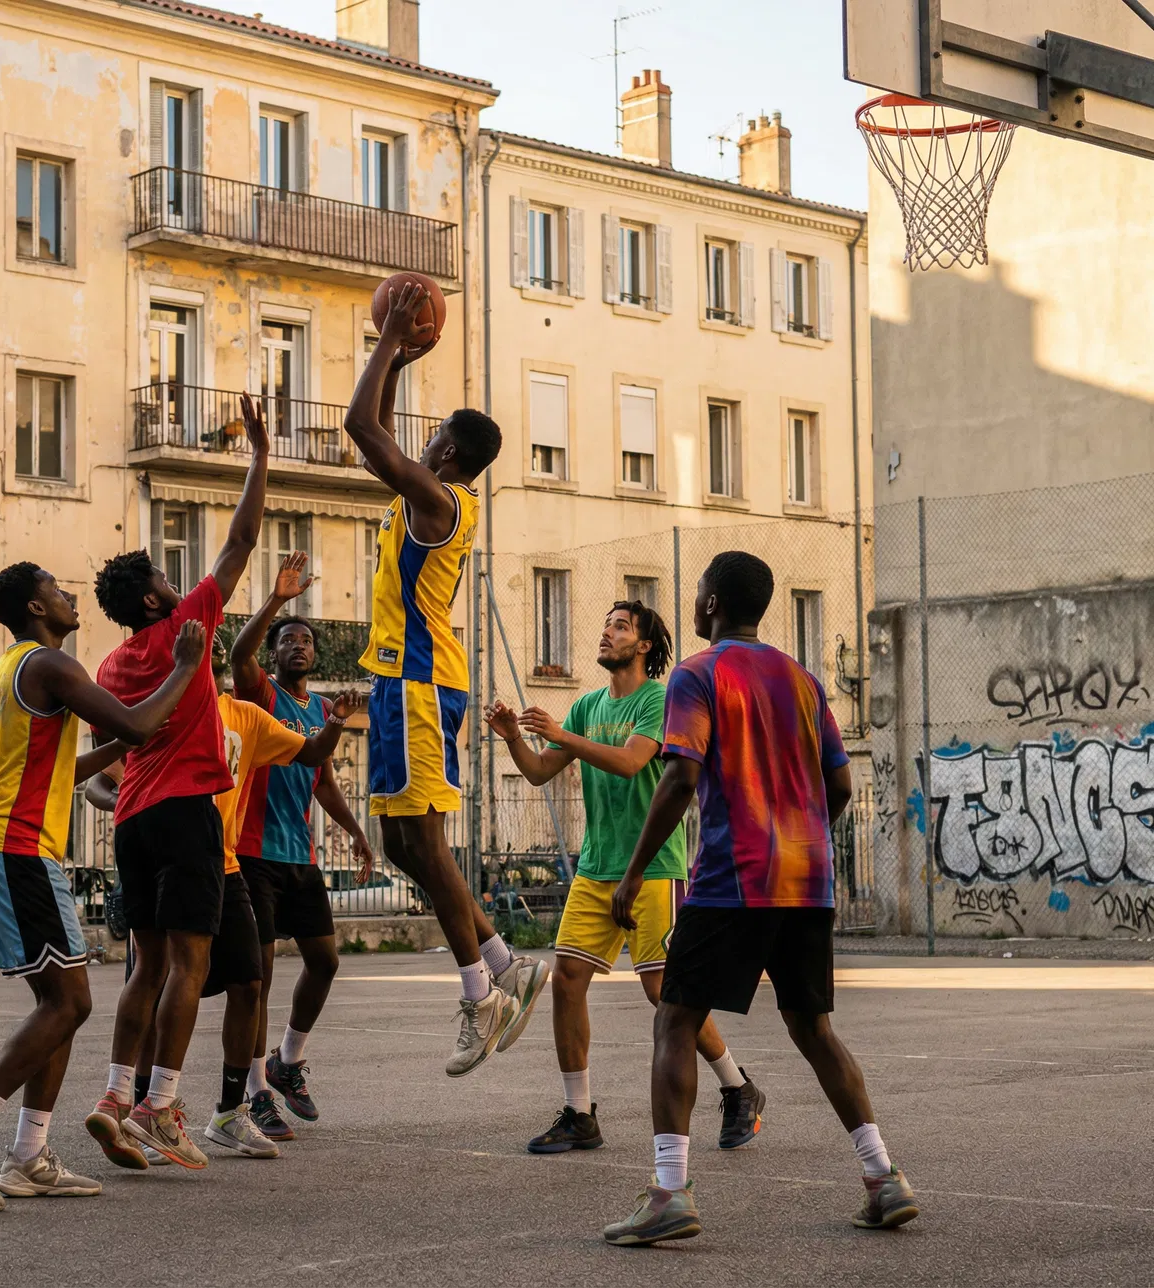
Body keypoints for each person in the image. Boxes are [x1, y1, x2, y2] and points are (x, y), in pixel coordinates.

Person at [602, 553, 917, 1247]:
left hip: (732, 882)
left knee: (676, 1022)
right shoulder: (803, 682)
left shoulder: (698, 673)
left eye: (696, 594)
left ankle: (669, 1191)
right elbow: (837, 787)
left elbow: (681, 776)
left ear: (710, 603)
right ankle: (883, 1177)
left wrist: (632, 875)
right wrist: (798, 834)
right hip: (806, 885)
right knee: (814, 1029)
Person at [0, 562, 206, 1210]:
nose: (70, 594)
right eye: (56, 589)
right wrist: (185, 668)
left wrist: (120, 752)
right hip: (11, 845)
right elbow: (131, 722)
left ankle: (30, 1157)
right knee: (70, 1002)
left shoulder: (13, 670)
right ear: (36, 608)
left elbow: (64, 766)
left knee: (59, 1003)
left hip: (6, 843)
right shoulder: (51, 665)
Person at [345, 278, 545, 1076]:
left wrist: (391, 338)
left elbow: (360, 427)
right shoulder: (425, 496)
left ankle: (479, 995)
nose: (416, 443)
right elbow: (381, 426)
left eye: (429, 437)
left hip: (425, 685)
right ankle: (502, 966)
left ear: (448, 456)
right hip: (406, 682)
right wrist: (398, 358)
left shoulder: (442, 503)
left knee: (423, 841)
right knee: (401, 845)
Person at [488, 601, 765, 1155]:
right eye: (606, 622)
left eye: (619, 626)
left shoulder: (659, 699)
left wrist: (562, 735)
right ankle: (579, 1113)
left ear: (642, 645)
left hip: (654, 867)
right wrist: (514, 739)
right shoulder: (589, 705)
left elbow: (632, 762)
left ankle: (739, 1088)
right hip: (596, 867)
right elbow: (541, 773)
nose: (606, 631)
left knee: (662, 989)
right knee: (567, 980)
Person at [82, 394, 269, 1171]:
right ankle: (161, 1105)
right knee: (192, 966)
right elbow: (240, 539)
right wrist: (259, 456)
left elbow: (105, 751)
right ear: (157, 597)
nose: (175, 576)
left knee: (146, 964)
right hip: (190, 810)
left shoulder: (111, 664)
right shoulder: (188, 623)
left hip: (132, 819)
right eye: (165, 571)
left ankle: (113, 1096)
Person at [87, 649, 357, 1162]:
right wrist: (127, 799)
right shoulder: (163, 713)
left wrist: (338, 720)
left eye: (209, 667)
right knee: (154, 979)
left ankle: (230, 1112)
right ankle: (137, 1104)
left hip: (223, 861)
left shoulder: (244, 716)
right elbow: (101, 779)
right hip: (165, 851)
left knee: (248, 981)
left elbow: (311, 753)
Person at [229, 551, 380, 1136]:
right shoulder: (258, 692)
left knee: (325, 961)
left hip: (300, 857)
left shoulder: (320, 709)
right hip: (251, 854)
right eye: (288, 640)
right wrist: (277, 602)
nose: (298, 645)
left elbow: (323, 782)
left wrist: (356, 830)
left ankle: (287, 1061)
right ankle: (256, 1091)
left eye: (305, 641)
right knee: (259, 976)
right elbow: (240, 653)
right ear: (274, 653)